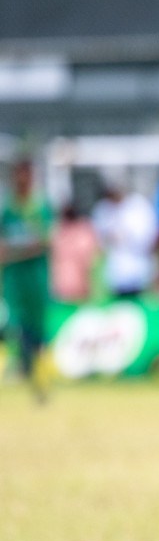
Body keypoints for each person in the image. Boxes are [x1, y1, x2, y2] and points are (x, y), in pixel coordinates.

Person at [1, 161, 53, 401]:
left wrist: (13, 251)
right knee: (19, 327)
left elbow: (43, 243)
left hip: (36, 280)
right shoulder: (8, 209)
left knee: (39, 331)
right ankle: (27, 370)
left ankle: (40, 378)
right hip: (14, 281)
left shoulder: (39, 207)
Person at [92, 180, 159, 300]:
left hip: (139, 270)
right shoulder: (103, 210)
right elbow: (100, 241)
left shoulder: (138, 206)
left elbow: (149, 236)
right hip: (116, 273)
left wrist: (127, 236)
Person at [49, 203, 98, 305]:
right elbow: (89, 260)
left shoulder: (57, 232)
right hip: (76, 284)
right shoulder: (83, 233)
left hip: (63, 285)